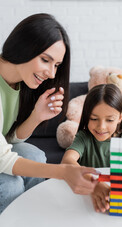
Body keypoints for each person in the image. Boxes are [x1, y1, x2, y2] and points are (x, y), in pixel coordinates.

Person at [0, 13, 99, 214]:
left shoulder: (18, 82)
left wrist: (37, 115)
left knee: (35, 155)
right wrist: (63, 172)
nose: (52, 74)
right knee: (11, 186)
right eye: (45, 60)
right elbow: (3, 158)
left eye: (56, 65)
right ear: (24, 46)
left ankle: (33, 217)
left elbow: (7, 139)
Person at [61, 84, 122, 213]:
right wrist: (94, 183)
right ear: (86, 116)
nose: (101, 127)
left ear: (120, 117)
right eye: (94, 118)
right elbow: (67, 161)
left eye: (109, 120)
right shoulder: (84, 137)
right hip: (87, 204)